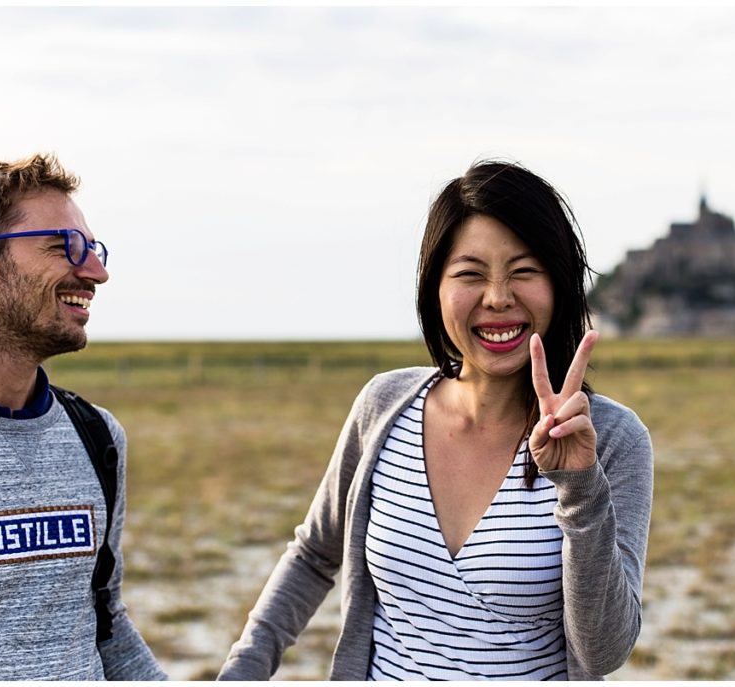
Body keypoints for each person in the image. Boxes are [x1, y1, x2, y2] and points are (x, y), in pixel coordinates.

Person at [218, 160, 653, 680]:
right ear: (435, 288)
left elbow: (605, 652)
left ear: (559, 285)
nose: (497, 297)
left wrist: (581, 489)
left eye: (524, 271)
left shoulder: (612, 440)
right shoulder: (384, 405)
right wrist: (242, 670)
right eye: (470, 274)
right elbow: (313, 555)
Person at [0, 154, 166, 681]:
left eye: (93, 249)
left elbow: (106, 625)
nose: (96, 271)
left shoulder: (95, 434)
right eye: (64, 246)